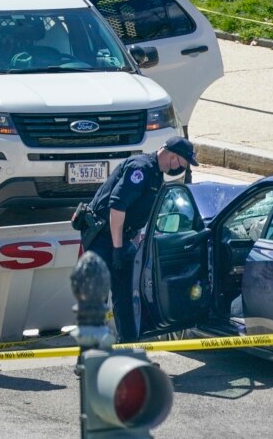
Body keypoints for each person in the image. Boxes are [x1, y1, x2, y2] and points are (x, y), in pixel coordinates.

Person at [79, 136, 198, 342]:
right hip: (103, 238)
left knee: (124, 298)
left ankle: (127, 350)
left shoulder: (155, 173)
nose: (181, 169)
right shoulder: (140, 169)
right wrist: (117, 248)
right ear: (172, 156)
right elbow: (117, 207)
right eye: (183, 164)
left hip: (120, 239)